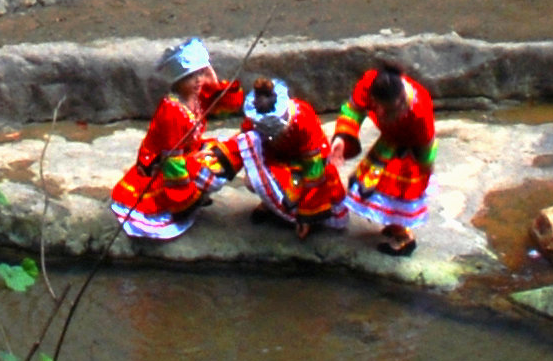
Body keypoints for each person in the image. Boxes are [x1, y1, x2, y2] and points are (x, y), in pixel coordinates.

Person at [109, 37, 248, 240]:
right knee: (211, 167)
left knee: (230, 151)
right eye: (192, 76)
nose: (198, 80)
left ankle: (197, 192)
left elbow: (230, 107)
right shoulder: (172, 112)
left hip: (188, 153)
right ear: (179, 81)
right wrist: (184, 200)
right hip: (163, 167)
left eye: (200, 73)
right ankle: (186, 201)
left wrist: (214, 80)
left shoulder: (196, 95)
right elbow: (172, 162)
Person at [331, 60, 437, 256]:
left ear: (400, 101)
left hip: (409, 152)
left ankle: (404, 237)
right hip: (388, 143)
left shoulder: (419, 110)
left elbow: (426, 147)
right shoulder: (371, 81)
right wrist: (342, 137)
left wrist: (424, 174)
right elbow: (353, 109)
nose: (379, 112)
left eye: (386, 110)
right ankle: (395, 226)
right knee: (372, 184)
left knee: (397, 192)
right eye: (377, 106)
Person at [234, 77, 348, 237]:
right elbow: (241, 141)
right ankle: (269, 203)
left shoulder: (303, 120)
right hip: (278, 161)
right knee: (251, 180)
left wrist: (307, 215)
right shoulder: (255, 119)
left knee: (312, 183)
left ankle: (303, 211)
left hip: (308, 164)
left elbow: (313, 170)